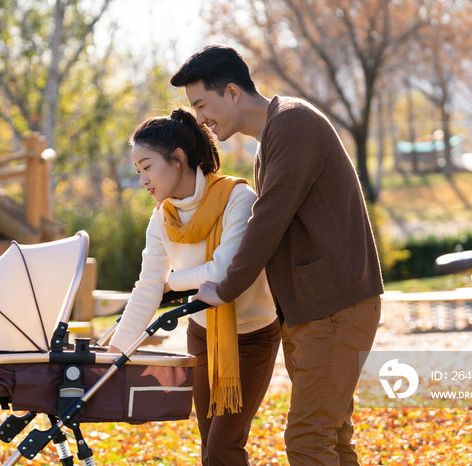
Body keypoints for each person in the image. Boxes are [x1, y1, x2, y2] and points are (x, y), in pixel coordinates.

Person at [170, 45, 384, 466]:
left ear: (232, 92)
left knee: (308, 440)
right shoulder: (272, 137)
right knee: (333, 438)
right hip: (314, 310)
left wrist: (226, 286)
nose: (200, 119)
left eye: (201, 105)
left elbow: (266, 221)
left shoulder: (292, 124)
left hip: (336, 308)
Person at [108, 108, 281, 466]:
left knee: (223, 447)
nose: (142, 179)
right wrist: (115, 353)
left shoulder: (237, 198)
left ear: (177, 159)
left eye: (147, 166)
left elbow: (224, 270)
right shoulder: (161, 218)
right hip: (202, 334)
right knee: (208, 445)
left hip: (252, 336)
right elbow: (146, 289)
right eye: (138, 170)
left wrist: (172, 282)